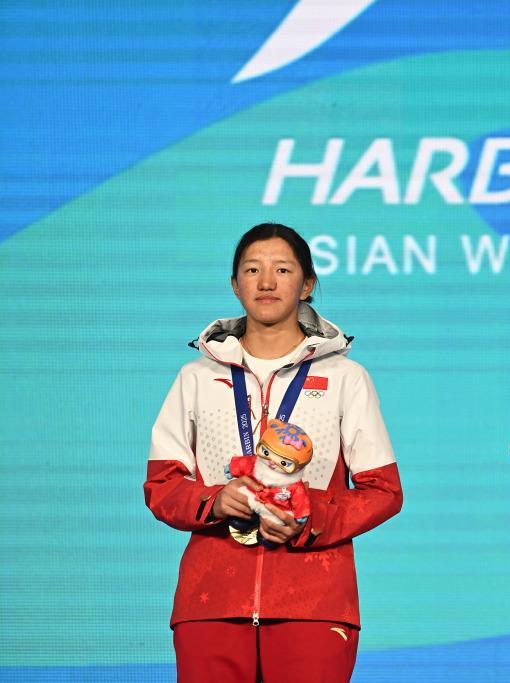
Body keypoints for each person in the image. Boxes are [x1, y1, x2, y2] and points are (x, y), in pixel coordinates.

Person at [145, 223, 402, 682]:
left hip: (314, 605)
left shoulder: (346, 378)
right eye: (252, 270)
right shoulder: (196, 378)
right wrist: (214, 501)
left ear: (306, 285)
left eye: (282, 269)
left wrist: (308, 515)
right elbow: (162, 484)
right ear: (235, 284)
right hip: (211, 603)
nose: (266, 282)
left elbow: (383, 491)